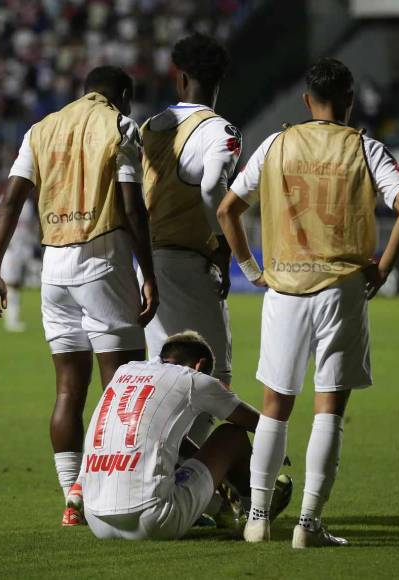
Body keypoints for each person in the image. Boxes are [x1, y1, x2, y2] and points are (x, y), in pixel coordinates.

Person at [216, 57, 399, 548]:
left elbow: (227, 210)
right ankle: (308, 524)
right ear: (350, 100)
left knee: (274, 407)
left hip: (285, 288)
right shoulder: (366, 148)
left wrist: (250, 269)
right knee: (329, 409)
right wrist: (383, 266)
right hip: (341, 288)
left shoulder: (276, 143)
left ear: (307, 100)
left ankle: (258, 517)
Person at [0, 66, 159, 525]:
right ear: (123, 95)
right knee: (121, 389)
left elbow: (10, 201)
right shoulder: (120, 125)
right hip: (102, 263)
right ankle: (108, 491)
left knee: (66, 391)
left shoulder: (40, 129)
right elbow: (131, 207)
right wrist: (148, 273)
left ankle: (71, 497)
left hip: (54, 269)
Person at [75, 331, 292, 541]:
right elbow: (258, 423)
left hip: (96, 520)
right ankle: (254, 511)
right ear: (200, 365)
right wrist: (274, 447)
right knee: (232, 435)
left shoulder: (124, 372)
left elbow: (173, 444)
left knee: (166, 450)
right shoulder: (193, 379)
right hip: (153, 518)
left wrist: (218, 474)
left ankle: (220, 508)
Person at [139, 33, 241, 445]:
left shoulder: (149, 128)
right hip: (189, 261)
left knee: (160, 374)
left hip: (148, 263)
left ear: (180, 78)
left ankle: (152, 462)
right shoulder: (219, 130)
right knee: (214, 375)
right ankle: (187, 469)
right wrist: (222, 244)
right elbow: (212, 187)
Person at [0, 194, 38, 332]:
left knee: (18, 284)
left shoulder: (28, 205)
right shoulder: (3, 200)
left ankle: (14, 317)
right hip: (10, 250)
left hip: (24, 250)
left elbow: (32, 227)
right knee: (11, 283)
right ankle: (11, 319)